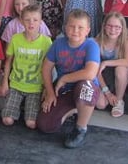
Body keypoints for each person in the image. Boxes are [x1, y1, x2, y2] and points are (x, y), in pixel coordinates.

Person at [37, 9, 101, 149]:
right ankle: (74, 109)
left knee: (85, 88)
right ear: (65, 27)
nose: (75, 31)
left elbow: (90, 73)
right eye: (72, 26)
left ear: (88, 30)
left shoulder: (92, 45)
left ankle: (81, 128)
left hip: (84, 87)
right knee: (45, 125)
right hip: (64, 89)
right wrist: (50, 92)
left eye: (80, 27)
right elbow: (46, 68)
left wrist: (64, 78)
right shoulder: (58, 44)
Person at [0, 4, 52, 129]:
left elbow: (49, 68)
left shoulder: (47, 42)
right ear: (22, 21)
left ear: (41, 22)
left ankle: (26, 108)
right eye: (27, 20)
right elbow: (8, 61)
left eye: (35, 20)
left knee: (31, 124)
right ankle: (15, 107)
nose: (31, 23)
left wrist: (46, 88)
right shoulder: (15, 39)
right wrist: (5, 82)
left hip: (35, 87)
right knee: (7, 120)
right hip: (16, 85)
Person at [95, 12, 128, 118]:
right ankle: (111, 94)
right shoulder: (97, 42)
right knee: (100, 105)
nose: (113, 30)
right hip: (103, 74)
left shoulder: (127, 41)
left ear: (122, 29)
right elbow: (95, 70)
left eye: (117, 27)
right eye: (110, 26)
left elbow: (127, 61)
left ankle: (119, 101)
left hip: (122, 73)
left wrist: (106, 62)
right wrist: (107, 93)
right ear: (104, 26)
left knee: (120, 69)